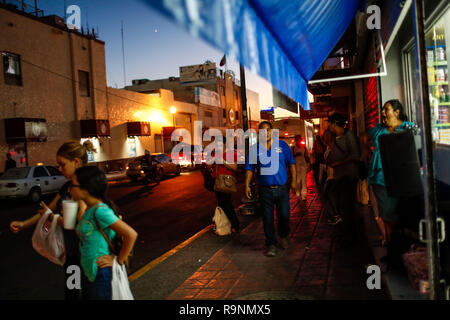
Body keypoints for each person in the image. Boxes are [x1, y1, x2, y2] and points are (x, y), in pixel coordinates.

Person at [9, 140, 95, 300]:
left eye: (62, 164)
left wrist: (54, 218)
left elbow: (80, 225)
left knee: (87, 294)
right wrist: (23, 224)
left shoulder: (87, 188)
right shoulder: (67, 187)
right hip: (72, 255)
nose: (59, 169)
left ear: (76, 162)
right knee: (72, 293)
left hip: (88, 255)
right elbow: (48, 209)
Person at [70, 166, 138, 300]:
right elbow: (84, 236)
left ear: (86, 189)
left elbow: (131, 234)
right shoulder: (89, 209)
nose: (70, 189)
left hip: (102, 275)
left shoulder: (100, 211)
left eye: (73, 185)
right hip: (90, 273)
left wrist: (117, 260)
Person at [245, 121, 297, 257]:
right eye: (262, 131)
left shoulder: (282, 146)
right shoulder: (254, 149)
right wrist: (246, 185)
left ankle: (284, 235)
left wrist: (294, 181)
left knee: (284, 215)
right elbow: (250, 168)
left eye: (268, 130)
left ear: (272, 131)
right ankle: (271, 244)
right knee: (267, 218)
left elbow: (291, 163)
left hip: (282, 189)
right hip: (265, 190)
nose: (266, 133)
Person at [368, 99, 414, 246]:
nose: (382, 113)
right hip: (379, 178)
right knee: (386, 213)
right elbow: (364, 138)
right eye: (382, 109)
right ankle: (392, 242)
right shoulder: (378, 129)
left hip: (401, 178)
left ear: (396, 112)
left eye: (386, 109)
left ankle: (396, 243)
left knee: (400, 213)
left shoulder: (408, 128)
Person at [326, 113, 360, 247]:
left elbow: (355, 155)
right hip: (340, 176)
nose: (329, 126)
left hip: (349, 176)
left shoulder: (349, 136)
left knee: (347, 207)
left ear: (334, 124)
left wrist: (337, 164)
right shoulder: (336, 138)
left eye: (330, 123)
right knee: (342, 206)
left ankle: (350, 237)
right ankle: (347, 234)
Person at [210, 143, 240, 233]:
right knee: (221, 204)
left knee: (226, 204)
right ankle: (224, 224)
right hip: (217, 181)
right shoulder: (215, 154)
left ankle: (235, 224)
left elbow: (234, 167)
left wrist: (222, 161)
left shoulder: (231, 154)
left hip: (226, 182)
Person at [292, 135, 310, 201]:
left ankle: (304, 195)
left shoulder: (304, 147)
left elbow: (307, 156)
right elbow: (291, 157)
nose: (297, 141)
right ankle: (298, 193)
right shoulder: (293, 148)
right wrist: (296, 155)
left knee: (304, 180)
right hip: (296, 166)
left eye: (299, 139)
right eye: (296, 139)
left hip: (303, 165)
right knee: (298, 180)